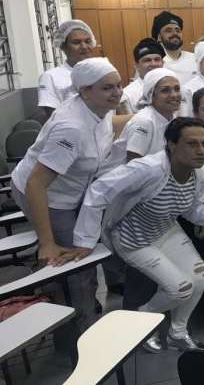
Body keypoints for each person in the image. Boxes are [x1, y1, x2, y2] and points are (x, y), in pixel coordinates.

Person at [75, 117, 204, 352]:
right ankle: (141, 323)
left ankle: (177, 333)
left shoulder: (200, 173)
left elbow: (194, 209)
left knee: (200, 277)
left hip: (165, 230)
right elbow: (98, 191)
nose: (201, 150)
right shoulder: (148, 169)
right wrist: (85, 240)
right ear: (172, 145)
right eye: (192, 144)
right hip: (134, 239)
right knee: (180, 288)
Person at [11, 57, 123, 340]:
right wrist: (47, 243)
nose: (117, 92)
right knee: (73, 264)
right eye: (108, 87)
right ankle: (79, 333)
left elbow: (112, 124)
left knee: (83, 253)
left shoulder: (98, 108)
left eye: (119, 85)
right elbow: (36, 184)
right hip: (45, 196)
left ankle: (82, 314)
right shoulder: (71, 128)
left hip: (70, 191)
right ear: (84, 90)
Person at [111, 68, 180, 164]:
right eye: (165, 90)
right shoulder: (144, 121)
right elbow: (133, 165)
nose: (174, 95)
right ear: (151, 95)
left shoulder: (173, 118)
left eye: (177, 89)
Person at [37, 19, 95, 118]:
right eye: (76, 42)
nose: (84, 46)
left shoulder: (101, 71)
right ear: (63, 46)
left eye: (87, 41)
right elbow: (52, 117)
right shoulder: (51, 77)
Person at [118, 38, 166, 115]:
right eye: (147, 60)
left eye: (157, 59)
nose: (153, 64)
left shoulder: (173, 88)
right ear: (137, 66)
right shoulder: (127, 95)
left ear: (163, 63)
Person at [152, 11, 197, 86]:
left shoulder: (194, 58)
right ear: (159, 37)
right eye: (168, 30)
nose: (175, 33)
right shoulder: (154, 62)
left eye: (177, 30)